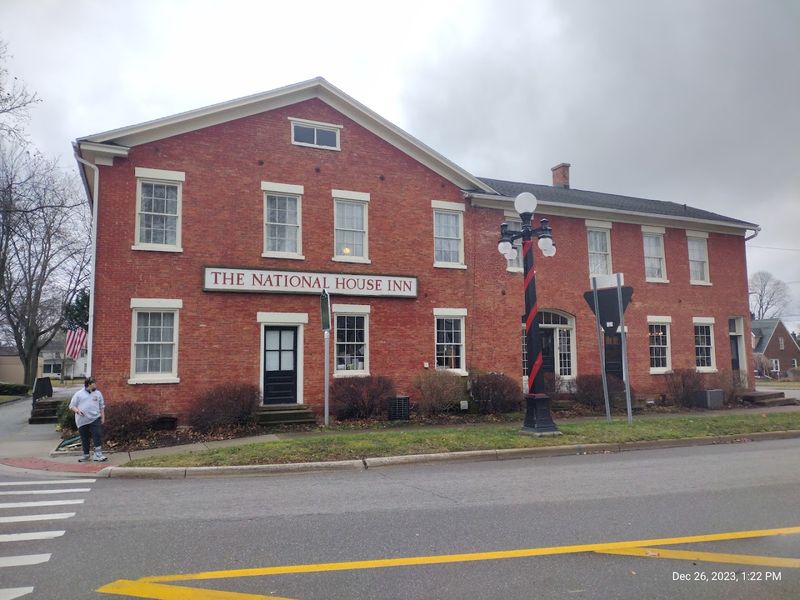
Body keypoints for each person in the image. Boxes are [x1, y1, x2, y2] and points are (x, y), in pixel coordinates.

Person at [69, 376, 107, 462]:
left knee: (97, 434)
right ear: (88, 384)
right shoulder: (79, 394)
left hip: (95, 418)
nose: (95, 385)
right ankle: (86, 454)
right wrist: (78, 411)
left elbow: (101, 406)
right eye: (93, 383)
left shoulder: (98, 393)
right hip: (82, 420)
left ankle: (98, 454)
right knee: (85, 437)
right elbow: (72, 406)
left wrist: (103, 417)